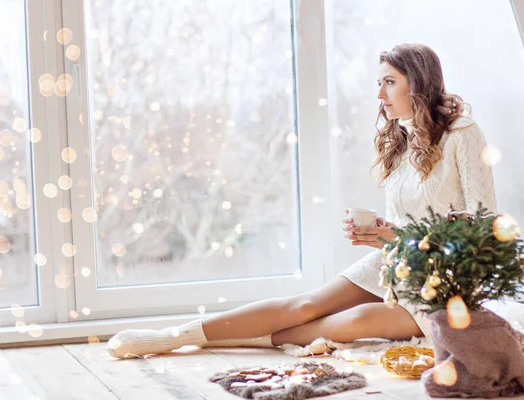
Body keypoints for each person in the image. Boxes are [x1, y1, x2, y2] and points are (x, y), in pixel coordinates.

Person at [107, 43, 498, 359]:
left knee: (352, 321)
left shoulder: (463, 133)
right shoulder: (401, 138)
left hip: (444, 279)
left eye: (389, 82)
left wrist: (401, 236)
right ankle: (174, 337)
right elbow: (407, 217)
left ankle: (253, 339)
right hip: (396, 259)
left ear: (418, 83)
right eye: (378, 83)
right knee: (305, 306)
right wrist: (382, 232)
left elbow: (483, 227)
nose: (379, 95)